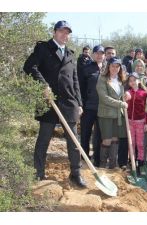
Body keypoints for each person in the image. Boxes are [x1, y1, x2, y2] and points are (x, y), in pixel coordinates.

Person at [23, 20, 86, 187]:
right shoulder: (43, 48)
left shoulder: (71, 54)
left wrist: (79, 103)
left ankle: (76, 174)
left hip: (69, 102)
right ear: (54, 32)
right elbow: (29, 66)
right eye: (61, 32)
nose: (64, 35)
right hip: (49, 102)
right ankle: (38, 173)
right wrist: (44, 85)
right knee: (43, 139)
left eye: (67, 33)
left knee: (74, 141)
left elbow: (75, 80)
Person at [96, 57, 128, 169]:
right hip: (106, 114)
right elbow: (104, 98)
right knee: (107, 139)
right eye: (113, 66)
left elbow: (120, 96)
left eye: (117, 66)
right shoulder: (102, 78)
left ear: (120, 68)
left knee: (115, 139)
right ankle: (103, 165)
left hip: (118, 115)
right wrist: (120, 104)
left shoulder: (120, 80)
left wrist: (125, 98)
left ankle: (113, 165)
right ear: (108, 66)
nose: (115, 68)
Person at [79, 45, 106, 167]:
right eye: (97, 53)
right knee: (85, 133)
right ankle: (84, 156)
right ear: (93, 54)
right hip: (88, 107)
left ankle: (97, 158)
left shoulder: (107, 69)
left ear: (104, 56)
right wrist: (80, 104)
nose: (99, 55)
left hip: (102, 108)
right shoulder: (86, 68)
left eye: (102, 53)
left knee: (99, 135)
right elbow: (80, 88)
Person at [125, 73, 147, 173]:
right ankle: (132, 163)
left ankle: (140, 163)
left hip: (140, 121)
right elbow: (124, 104)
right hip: (130, 121)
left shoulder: (143, 93)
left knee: (140, 144)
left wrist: (146, 123)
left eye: (134, 80)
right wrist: (125, 98)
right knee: (131, 143)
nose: (132, 82)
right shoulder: (128, 93)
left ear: (139, 81)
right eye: (130, 80)